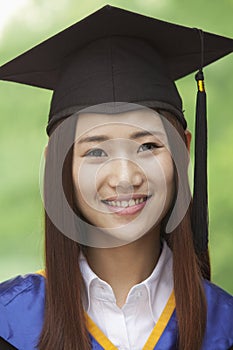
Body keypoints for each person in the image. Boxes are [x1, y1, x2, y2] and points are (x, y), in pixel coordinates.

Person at [0, 5, 233, 350]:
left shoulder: (223, 325)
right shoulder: (11, 320)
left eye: (148, 146)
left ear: (183, 151)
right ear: (56, 164)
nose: (124, 178)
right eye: (95, 151)